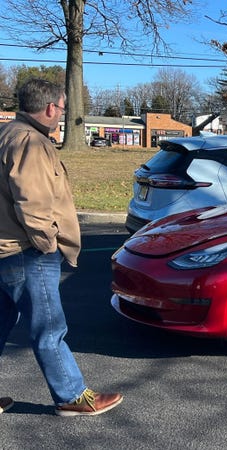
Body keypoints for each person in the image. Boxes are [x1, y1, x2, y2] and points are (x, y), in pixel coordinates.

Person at [0, 79, 123, 416]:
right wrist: (47, 245)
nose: (61, 116)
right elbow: (34, 204)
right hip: (26, 252)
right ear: (51, 108)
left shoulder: (7, 133)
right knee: (49, 328)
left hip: (4, 248)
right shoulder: (31, 142)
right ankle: (71, 396)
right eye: (63, 109)